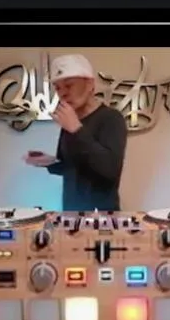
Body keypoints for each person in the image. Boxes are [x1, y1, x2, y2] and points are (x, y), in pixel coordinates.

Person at [23, 53, 129, 211]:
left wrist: (76, 129)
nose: (63, 93)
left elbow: (110, 169)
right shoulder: (71, 120)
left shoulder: (111, 118)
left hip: (102, 216)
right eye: (58, 88)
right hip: (70, 214)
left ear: (90, 84)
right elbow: (73, 167)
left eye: (69, 85)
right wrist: (48, 162)